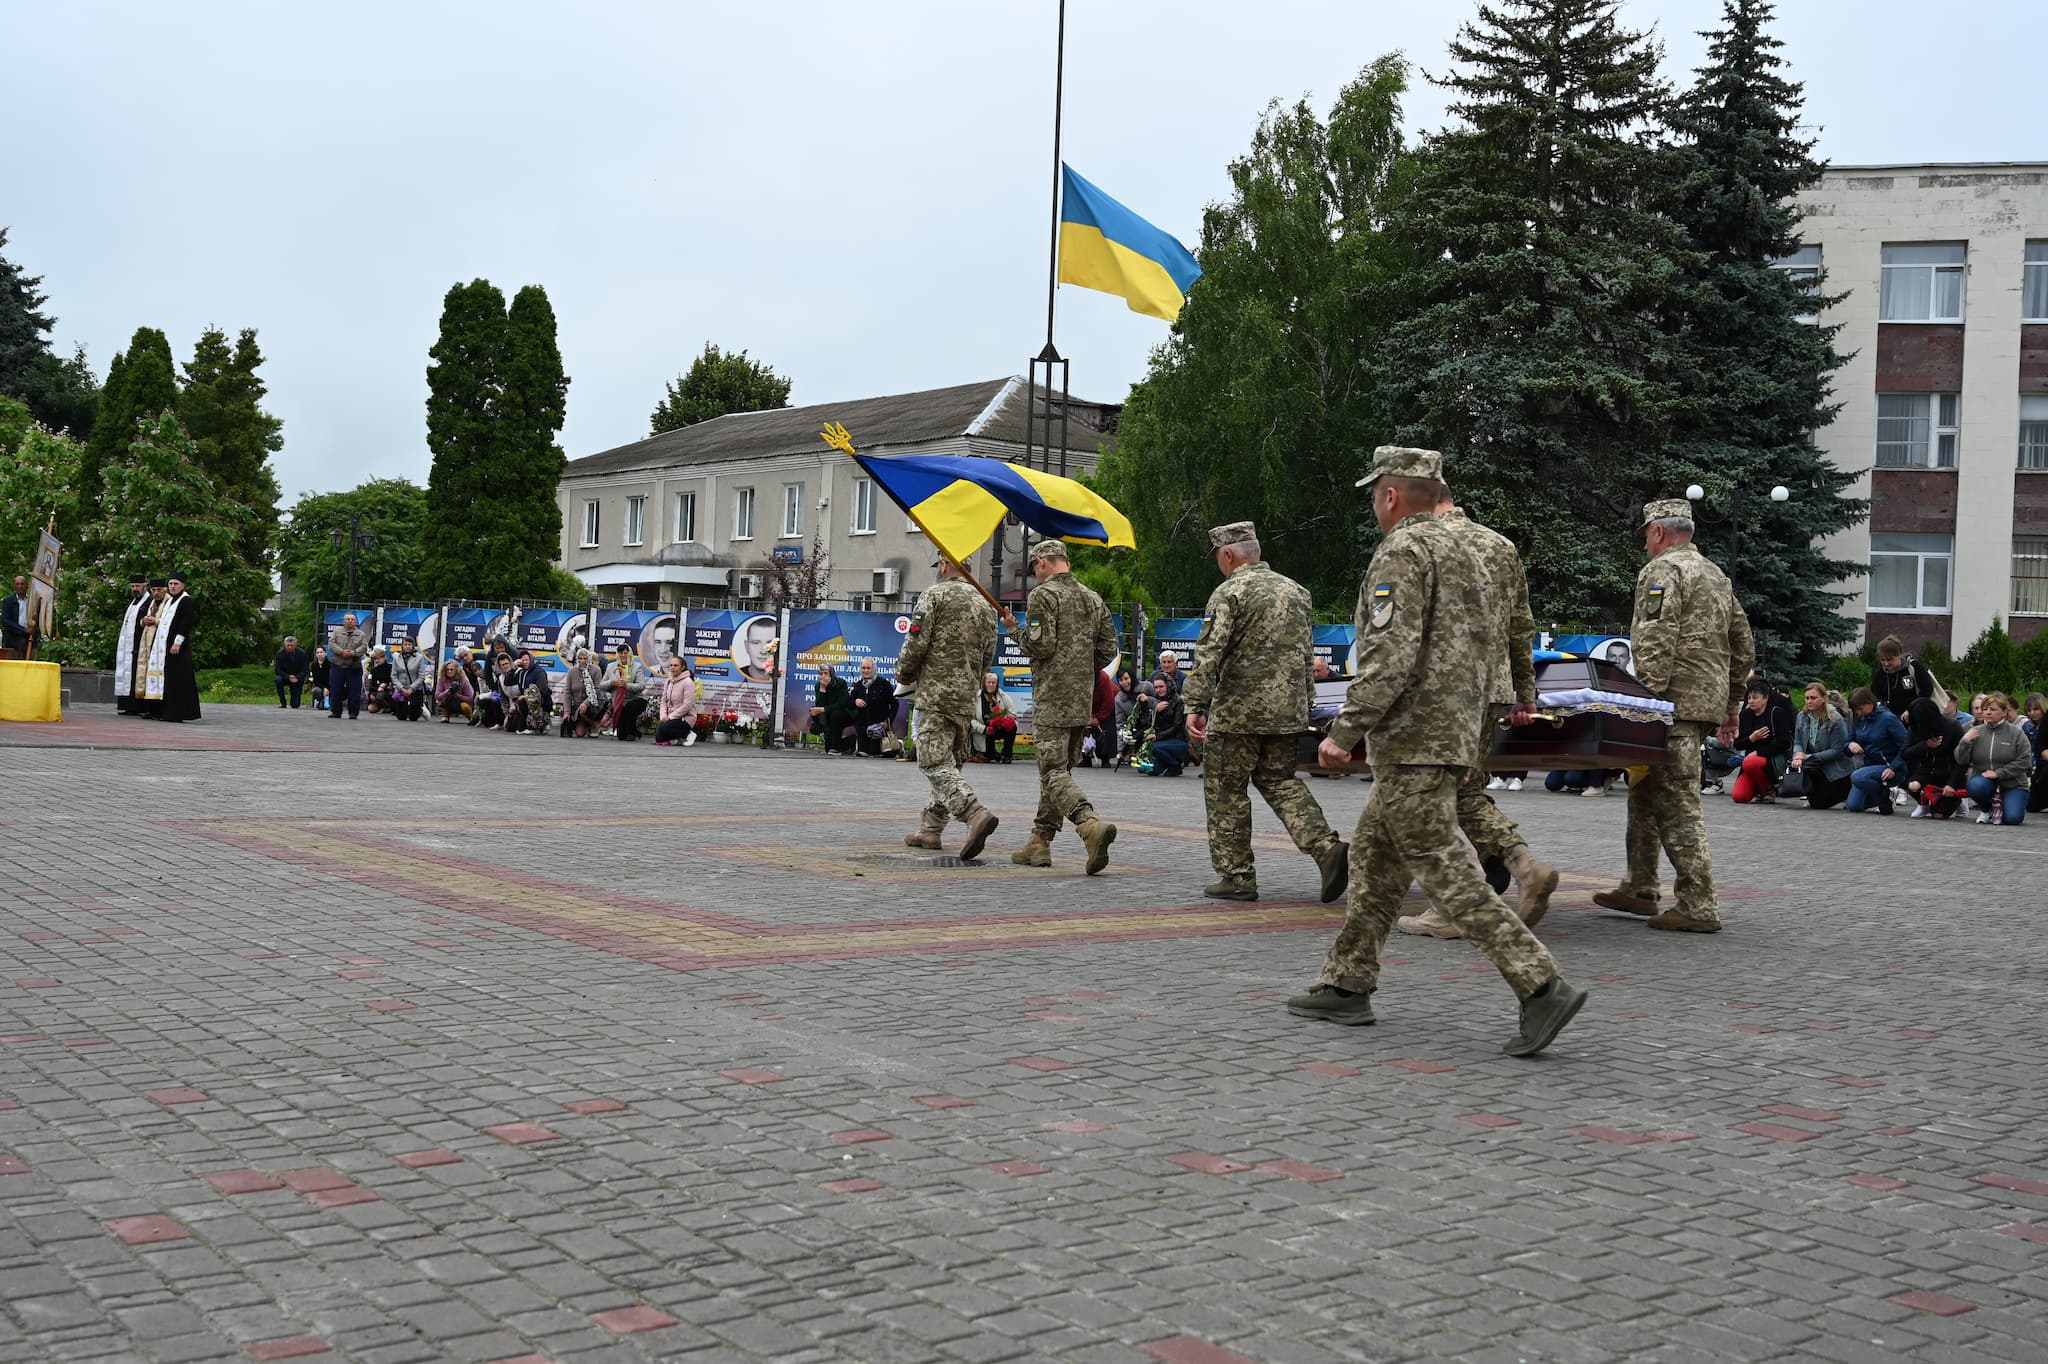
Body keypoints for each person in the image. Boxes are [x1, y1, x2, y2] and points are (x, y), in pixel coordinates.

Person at [1287, 447, 1585, 1057]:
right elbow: (1503, 639)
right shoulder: (1471, 550)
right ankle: (1347, 983)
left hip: (1414, 738)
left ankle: (1540, 985)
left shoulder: (1404, 550)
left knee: (1446, 869)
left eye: (1375, 494)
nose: (1375, 505)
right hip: (1454, 730)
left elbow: (1387, 657)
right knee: (1374, 856)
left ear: (1391, 496)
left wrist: (1344, 732)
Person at [1400, 488, 1560, 936]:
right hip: (1491, 690)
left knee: (1433, 794)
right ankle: (1525, 868)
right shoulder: (1499, 545)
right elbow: (1520, 624)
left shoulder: (1417, 542)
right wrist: (1525, 692)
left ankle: (1450, 908)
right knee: (1464, 794)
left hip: (1437, 694)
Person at [1592, 498, 1752, 934]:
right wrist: (1731, 703)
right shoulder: (1717, 576)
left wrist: (1645, 703)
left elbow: (1655, 641)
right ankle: (1641, 886)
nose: (1645, 544)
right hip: (1700, 705)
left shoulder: (1663, 571)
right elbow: (1743, 644)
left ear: (1659, 532)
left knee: (1679, 802)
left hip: (1670, 707)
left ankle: (1698, 904)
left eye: (1646, 535)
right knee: (1644, 790)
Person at [1179, 520, 1348, 904]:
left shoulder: (1229, 592)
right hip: (1287, 712)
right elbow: (1308, 654)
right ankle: (1327, 849)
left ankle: (1237, 876)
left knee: (1226, 789)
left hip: (1238, 712)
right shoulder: (1296, 592)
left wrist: (1194, 706)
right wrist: (1307, 703)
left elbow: (1208, 654)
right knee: (1281, 781)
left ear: (1227, 555)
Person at [999, 540, 1119, 874]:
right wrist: (1080, 666)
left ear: (1042, 562)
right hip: (1081, 698)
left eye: (1035, 567)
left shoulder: (1043, 595)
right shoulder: (1092, 598)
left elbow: (1041, 645)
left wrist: (1013, 632)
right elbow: (1109, 649)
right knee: (1057, 771)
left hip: (1052, 696)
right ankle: (1039, 842)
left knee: (1052, 771)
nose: (1035, 574)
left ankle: (1089, 824)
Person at [895, 554, 1001, 858]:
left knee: (932, 761)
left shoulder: (934, 595)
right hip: (966, 697)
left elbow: (916, 642)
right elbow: (989, 653)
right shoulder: (985, 603)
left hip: (936, 694)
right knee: (949, 763)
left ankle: (973, 811)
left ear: (944, 566)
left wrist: (905, 672)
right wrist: (974, 680)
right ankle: (930, 830)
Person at [1956, 693, 2032, 825]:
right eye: (1985, 709)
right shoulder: (1975, 731)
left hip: (2013, 783)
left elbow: (2025, 761)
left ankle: (2003, 804)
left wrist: (1999, 773)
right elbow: (1961, 760)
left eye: (1993, 709)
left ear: (2004, 712)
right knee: (1974, 786)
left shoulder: (2016, 733)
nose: (1987, 713)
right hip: (1984, 781)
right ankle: (1987, 808)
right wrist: (1965, 742)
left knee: (2013, 819)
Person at [1723, 680, 1795, 804]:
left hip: (1772, 761)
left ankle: (1768, 790)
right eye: (1749, 697)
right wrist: (1752, 738)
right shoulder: (1745, 714)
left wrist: (1758, 753)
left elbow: (1784, 743)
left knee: (1751, 762)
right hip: (1749, 763)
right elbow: (1737, 744)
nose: (1751, 701)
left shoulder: (1776, 713)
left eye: (1755, 697)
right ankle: (1760, 788)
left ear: (1766, 698)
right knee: (1739, 796)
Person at [1842, 687, 1909, 814]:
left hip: (1889, 767)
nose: (1858, 713)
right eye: (1855, 710)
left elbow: (1906, 746)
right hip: (1868, 767)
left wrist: (1893, 767)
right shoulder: (1859, 719)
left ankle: (1888, 793)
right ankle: (1885, 798)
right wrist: (1850, 745)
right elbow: (1846, 744)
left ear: (1870, 703)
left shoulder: (1888, 718)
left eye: (1860, 709)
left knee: (1857, 777)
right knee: (1854, 805)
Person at [1788, 683, 1855, 810]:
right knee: (1816, 801)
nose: (1809, 701)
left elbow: (1838, 750)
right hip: (1815, 765)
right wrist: (1798, 755)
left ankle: (1849, 787)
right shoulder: (1801, 716)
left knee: (1819, 804)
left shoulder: (1835, 719)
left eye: (1813, 698)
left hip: (1836, 769)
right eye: (1807, 698)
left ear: (1824, 698)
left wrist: (1809, 756)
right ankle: (1814, 791)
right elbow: (1797, 742)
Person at [1901, 695, 1966, 819]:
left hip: (1949, 775)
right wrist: (1925, 745)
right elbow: (1904, 754)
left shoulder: (1953, 726)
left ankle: (1956, 801)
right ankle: (1923, 804)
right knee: (1913, 785)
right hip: (1926, 773)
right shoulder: (1915, 727)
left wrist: (1952, 783)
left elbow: (1963, 760)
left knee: (1938, 815)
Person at [150, 574, 202, 723]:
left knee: (178, 680)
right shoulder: (170, 601)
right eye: (171, 583)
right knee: (169, 679)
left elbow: (185, 624)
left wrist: (177, 642)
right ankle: (167, 711)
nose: (173, 586)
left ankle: (178, 713)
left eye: (176, 583)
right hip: (165, 645)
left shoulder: (187, 600)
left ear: (183, 585)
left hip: (178, 647)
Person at [1870, 636, 1937, 719]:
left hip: (1914, 716)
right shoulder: (1879, 674)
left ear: (1899, 655)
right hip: (1889, 718)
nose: (1886, 664)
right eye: (1882, 660)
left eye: (1889, 659)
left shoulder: (1914, 667)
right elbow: (1875, 696)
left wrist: (1911, 710)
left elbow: (1927, 690)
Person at [130, 580, 168, 718]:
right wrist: (144, 621)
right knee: (148, 675)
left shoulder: (169, 602)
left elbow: (169, 621)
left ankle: (158, 710)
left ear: (165, 590)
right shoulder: (152, 602)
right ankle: (150, 709)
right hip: (148, 642)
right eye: (154, 590)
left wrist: (155, 621)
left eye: (159, 590)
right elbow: (144, 620)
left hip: (160, 644)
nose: (156, 593)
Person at [113, 573, 149, 714]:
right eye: (133, 586)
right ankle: (127, 706)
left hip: (138, 645)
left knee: (136, 676)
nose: (135, 589)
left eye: (138, 586)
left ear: (144, 587)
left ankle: (137, 707)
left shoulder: (148, 602)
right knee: (127, 674)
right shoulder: (133, 602)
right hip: (128, 645)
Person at [601, 643, 652, 740]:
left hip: (636, 699)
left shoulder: (637, 667)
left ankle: (632, 733)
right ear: (617, 654)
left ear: (630, 653)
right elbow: (602, 685)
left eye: (625, 652)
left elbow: (641, 686)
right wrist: (611, 683)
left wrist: (626, 685)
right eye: (620, 652)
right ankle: (634, 731)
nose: (623, 655)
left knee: (630, 707)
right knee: (621, 735)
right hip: (619, 701)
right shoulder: (611, 667)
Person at [848, 657, 897, 757]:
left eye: (868, 668)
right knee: (863, 753)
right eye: (864, 668)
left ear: (874, 669)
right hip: (862, 726)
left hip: (879, 726)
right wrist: (855, 701)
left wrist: (889, 721)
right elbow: (848, 703)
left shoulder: (884, 684)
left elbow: (895, 704)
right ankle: (859, 745)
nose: (866, 671)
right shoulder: (858, 685)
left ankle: (899, 744)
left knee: (877, 753)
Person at [1143, 677, 1190, 776]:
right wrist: (1155, 711)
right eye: (1156, 687)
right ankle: (1169, 761)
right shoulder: (1156, 701)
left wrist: (1157, 736)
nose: (1158, 690)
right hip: (1163, 741)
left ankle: (1175, 765)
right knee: (1153, 770)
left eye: (1161, 686)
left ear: (1168, 686)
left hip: (1178, 740)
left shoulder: (1178, 701)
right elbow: (1148, 723)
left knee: (1154, 746)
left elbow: (1176, 726)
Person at [326, 613, 369, 720]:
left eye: (352, 619)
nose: (350, 621)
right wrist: (341, 652)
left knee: (354, 691)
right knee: (336, 689)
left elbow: (364, 647)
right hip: (338, 664)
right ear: (344, 621)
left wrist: (353, 653)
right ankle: (335, 711)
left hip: (353, 666)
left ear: (355, 622)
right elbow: (331, 644)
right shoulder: (337, 632)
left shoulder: (361, 634)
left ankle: (353, 713)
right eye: (348, 619)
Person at [809, 663, 855, 754]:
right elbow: (819, 705)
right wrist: (822, 689)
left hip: (844, 714)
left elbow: (842, 704)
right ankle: (852, 741)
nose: (823, 676)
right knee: (828, 748)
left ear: (831, 674)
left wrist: (823, 709)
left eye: (826, 673)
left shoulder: (841, 683)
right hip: (828, 716)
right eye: (821, 674)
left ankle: (836, 748)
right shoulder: (818, 686)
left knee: (836, 714)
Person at [972, 671, 1016, 763]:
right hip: (983, 732)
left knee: (1013, 726)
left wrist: (1005, 721)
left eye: (993, 682)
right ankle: (991, 753)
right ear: (984, 683)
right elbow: (970, 720)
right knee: (989, 756)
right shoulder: (976, 697)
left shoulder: (1003, 696)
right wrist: (984, 729)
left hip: (999, 728)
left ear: (997, 684)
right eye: (989, 682)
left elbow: (1013, 714)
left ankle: (1007, 755)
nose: (991, 685)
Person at [653, 657, 699, 745]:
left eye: (676, 665)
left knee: (664, 729)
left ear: (682, 667)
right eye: (671, 665)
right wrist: (663, 716)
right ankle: (679, 737)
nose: (672, 668)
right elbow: (663, 700)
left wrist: (670, 717)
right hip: (671, 718)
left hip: (685, 718)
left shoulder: (688, 682)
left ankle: (688, 734)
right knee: (659, 737)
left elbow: (687, 705)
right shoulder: (669, 681)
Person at [1080, 667, 1119, 768]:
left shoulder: (1103, 677)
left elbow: (1108, 702)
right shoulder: (1078, 677)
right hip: (1088, 709)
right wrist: (1087, 717)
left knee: (1105, 731)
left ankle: (1105, 758)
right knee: (1083, 729)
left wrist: (1098, 717)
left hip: (1108, 705)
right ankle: (1086, 758)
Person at [562, 648, 604, 737]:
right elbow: (567, 692)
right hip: (577, 706)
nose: (582, 661)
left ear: (589, 659)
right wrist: (567, 712)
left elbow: (597, 689)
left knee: (582, 711)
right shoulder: (571, 671)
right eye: (580, 658)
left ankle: (594, 725)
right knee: (580, 733)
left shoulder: (596, 670)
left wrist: (586, 703)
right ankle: (586, 725)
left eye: (585, 658)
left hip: (593, 704)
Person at [388, 637, 428, 721]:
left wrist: (411, 688)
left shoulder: (419, 658)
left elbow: (421, 676)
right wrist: (401, 688)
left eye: (409, 644)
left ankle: (420, 709)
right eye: (405, 644)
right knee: (401, 717)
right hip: (401, 689)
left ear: (413, 646)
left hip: (415, 689)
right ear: (402, 646)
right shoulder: (397, 657)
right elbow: (393, 676)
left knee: (413, 717)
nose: (407, 646)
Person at [273, 635, 311, 709]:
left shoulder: (302, 653)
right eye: (288, 645)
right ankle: (283, 702)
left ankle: (294, 700)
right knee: (278, 680)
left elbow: (305, 669)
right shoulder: (279, 654)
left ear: (295, 645)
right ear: (284, 645)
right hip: (285, 677)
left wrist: (297, 677)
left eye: (292, 645)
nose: (290, 647)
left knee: (295, 705)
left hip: (297, 678)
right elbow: (278, 670)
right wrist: (288, 677)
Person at [2025, 693, 2048, 815]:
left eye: (2036, 709)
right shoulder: (2028, 727)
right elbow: (2037, 746)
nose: (2032, 713)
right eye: (2029, 710)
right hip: (2038, 765)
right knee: (2031, 805)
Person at [737, 616, 777, 683]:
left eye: (770, 644)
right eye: (756, 643)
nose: (763, 651)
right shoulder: (735, 676)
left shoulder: (786, 679)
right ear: (747, 646)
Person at [1, 575, 34, 657]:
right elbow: (5, 621)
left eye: (22, 584)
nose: (20, 586)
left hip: (30, 640)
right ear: (14, 586)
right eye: (17, 584)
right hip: (13, 641)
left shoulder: (32, 601)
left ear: (26, 586)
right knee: (13, 666)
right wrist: (23, 630)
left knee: (30, 666)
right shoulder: (8, 601)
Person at [362, 647, 393, 714]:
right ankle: (385, 706)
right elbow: (372, 686)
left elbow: (393, 681)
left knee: (375, 697)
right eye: (375, 659)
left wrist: (386, 686)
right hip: (377, 692)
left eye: (378, 658)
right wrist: (379, 687)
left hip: (388, 692)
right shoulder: (374, 670)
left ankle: (390, 707)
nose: (376, 660)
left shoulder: (391, 668)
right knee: (371, 708)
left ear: (384, 657)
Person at [308, 645, 332, 712]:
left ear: (325, 653)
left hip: (330, 687)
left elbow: (331, 678)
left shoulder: (330, 665)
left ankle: (327, 701)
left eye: (321, 652)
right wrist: (324, 688)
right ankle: (321, 700)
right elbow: (315, 680)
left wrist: (327, 688)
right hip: (320, 687)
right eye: (317, 653)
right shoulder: (313, 666)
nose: (319, 654)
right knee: (315, 690)